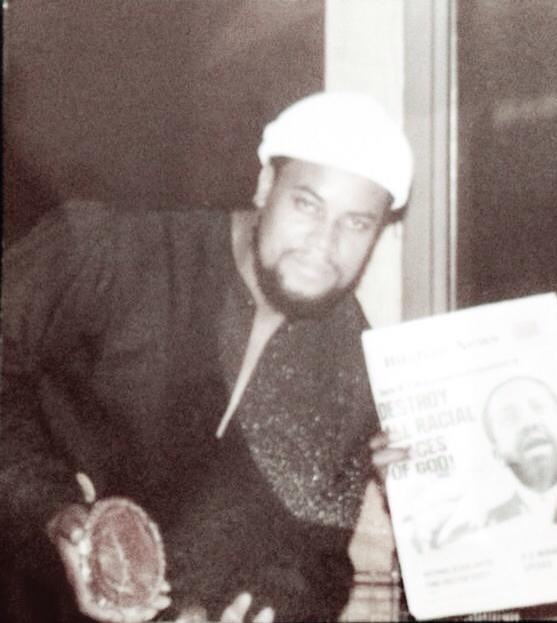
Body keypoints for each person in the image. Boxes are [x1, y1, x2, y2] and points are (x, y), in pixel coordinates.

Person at [0, 91, 413, 623]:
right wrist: (49, 506)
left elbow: (315, 556)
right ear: (265, 185)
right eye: (307, 205)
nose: (323, 244)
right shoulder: (119, 252)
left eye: (356, 223)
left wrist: (260, 609)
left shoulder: (350, 367)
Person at [481, 376, 557, 527]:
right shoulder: (489, 525)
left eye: (539, 408)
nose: (529, 423)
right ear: (497, 454)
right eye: (509, 418)